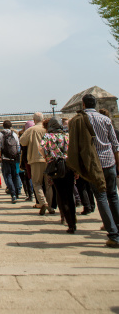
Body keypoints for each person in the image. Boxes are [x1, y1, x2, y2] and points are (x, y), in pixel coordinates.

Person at [77, 94, 119, 248]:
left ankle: (113, 234)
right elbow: (115, 144)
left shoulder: (80, 120)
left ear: (82, 105)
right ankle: (118, 227)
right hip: (110, 161)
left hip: (94, 164)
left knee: (101, 197)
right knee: (113, 195)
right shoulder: (106, 120)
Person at [40, 117, 76, 233]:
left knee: (61, 194)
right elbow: (72, 150)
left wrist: (47, 157)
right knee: (70, 194)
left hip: (54, 166)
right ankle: (73, 220)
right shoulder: (67, 136)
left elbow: (41, 149)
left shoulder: (47, 137)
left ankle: (68, 222)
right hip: (68, 165)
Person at [20, 113, 53, 215]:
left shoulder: (31, 130)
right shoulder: (47, 129)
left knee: (36, 183)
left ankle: (43, 202)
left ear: (34, 120)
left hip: (35, 158)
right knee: (48, 184)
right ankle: (50, 206)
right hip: (48, 158)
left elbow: (22, 142)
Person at [0, 120, 22, 203]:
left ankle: (13, 194)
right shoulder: (14, 134)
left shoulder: (0, 134)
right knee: (15, 175)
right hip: (14, 157)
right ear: (10, 126)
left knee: (8, 175)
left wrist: (0, 156)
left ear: (3, 126)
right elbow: (18, 146)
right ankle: (18, 192)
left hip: (5, 158)